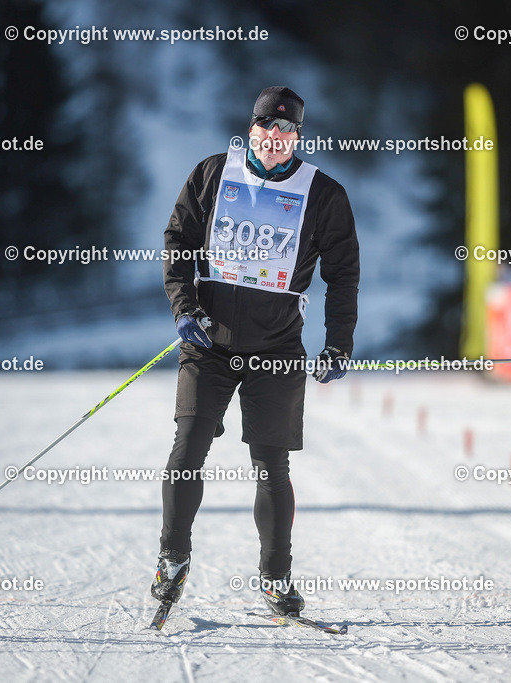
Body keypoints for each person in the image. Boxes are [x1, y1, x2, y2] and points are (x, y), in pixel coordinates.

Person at [151, 86, 360, 618]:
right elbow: (178, 241)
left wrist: (338, 342)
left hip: (277, 347)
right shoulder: (212, 174)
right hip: (210, 340)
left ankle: (275, 578)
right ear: (252, 130)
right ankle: (172, 558)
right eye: (268, 128)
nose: (275, 139)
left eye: (286, 131)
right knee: (189, 443)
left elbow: (343, 276)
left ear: (298, 138)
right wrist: (184, 308)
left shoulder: (324, 194)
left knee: (271, 465)